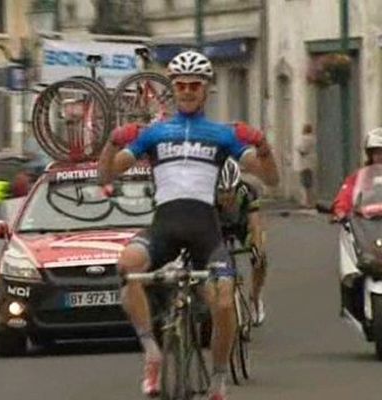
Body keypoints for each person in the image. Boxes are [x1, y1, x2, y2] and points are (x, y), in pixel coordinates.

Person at [98, 50, 279, 400]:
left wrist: (263, 145)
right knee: (127, 266)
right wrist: (111, 142)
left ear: (206, 89)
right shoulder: (154, 134)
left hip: (205, 233)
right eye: (180, 85)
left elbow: (270, 178)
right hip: (163, 227)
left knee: (224, 303)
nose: (187, 91)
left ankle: (218, 377)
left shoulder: (222, 135)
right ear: (173, 89)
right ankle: (151, 351)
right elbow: (106, 174)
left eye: (195, 85)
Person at [216, 158, 268, 326]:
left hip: (241, 225)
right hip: (218, 227)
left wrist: (257, 247)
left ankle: (255, 297)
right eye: (221, 191)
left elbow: (255, 224)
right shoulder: (208, 195)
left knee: (260, 256)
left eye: (229, 191)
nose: (225, 196)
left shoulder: (247, 191)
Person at [333, 128, 382, 220]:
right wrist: (341, 210)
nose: (380, 156)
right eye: (377, 153)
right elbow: (346, 194)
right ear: (370, 155)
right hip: (364, 225)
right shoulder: (361, 176)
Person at [296, 123, 316, 208]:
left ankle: (306, 202)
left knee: (304, 184)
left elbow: (302, 149)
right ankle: (310, 201)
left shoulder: (304, 139)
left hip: (304, 164)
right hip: (311, 163)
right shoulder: (314, 139)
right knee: (310, 184)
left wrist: (298, 149)